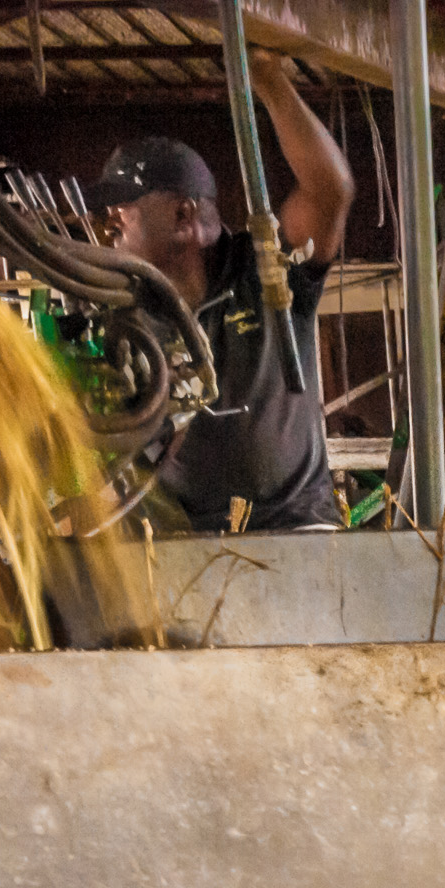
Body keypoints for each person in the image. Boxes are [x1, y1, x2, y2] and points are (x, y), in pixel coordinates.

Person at [97, 51, 355, 532]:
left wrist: (268, 79)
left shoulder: (265, 271)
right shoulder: (129, 315)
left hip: (298, 530)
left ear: (182, 216)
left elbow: (330, 191)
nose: (108, 223)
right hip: (186, 542)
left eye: (122, 207)